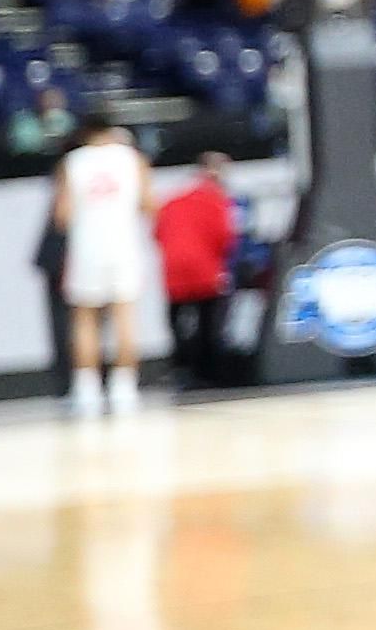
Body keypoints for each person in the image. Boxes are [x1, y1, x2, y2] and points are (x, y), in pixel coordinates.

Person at [54, 114, 150, 415]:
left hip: (87, 247)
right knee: (125, 316)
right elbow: (149, 204)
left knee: (85, 319)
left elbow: (62, 215)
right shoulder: (133, 158)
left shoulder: (73, 162)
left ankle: (87, 389)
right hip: (123, 245)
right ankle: (124, 387)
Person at [155, 152, 242, 387]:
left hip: (174, 270)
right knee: (209, 323)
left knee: (177, 321)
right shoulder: (217, 201)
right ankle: (208, 372)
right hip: (206, 269)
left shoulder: (173, 201)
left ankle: (180, 367)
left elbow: (158, 232)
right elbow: (226, 237)